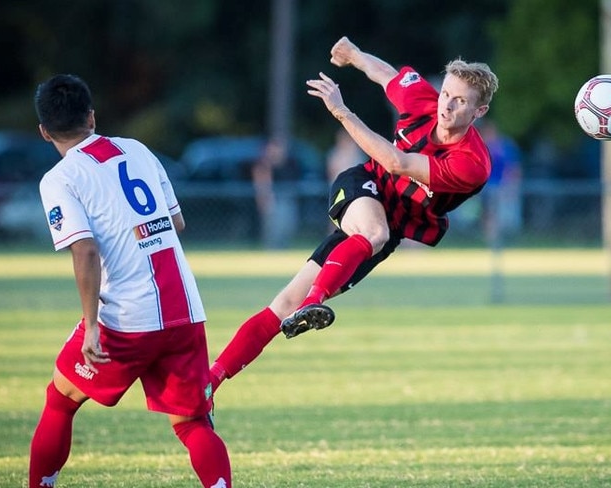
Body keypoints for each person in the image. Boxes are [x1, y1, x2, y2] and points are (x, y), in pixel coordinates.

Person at [208, 36, 498, 391]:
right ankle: (315, 303)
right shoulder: (423, 101)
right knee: (373, 233)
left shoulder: (472, 163)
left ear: (479, 112)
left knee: (283, 304)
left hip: (391, 225)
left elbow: (398, 161)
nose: (447, 105)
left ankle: (209, 382)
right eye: (445, 94)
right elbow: (387, 74)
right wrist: (356, 55)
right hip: (363, 184)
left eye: (460, 101)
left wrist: (342, 111)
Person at [29, 74, 231, 488]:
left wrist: (90, 326)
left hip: (127, 318)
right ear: (92, 116)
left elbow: (83, 250)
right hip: (184, 310)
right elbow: (176, 221)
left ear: (44, 131)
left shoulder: (60, 178)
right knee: (192, 423)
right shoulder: (136, 149)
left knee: (61, 399)